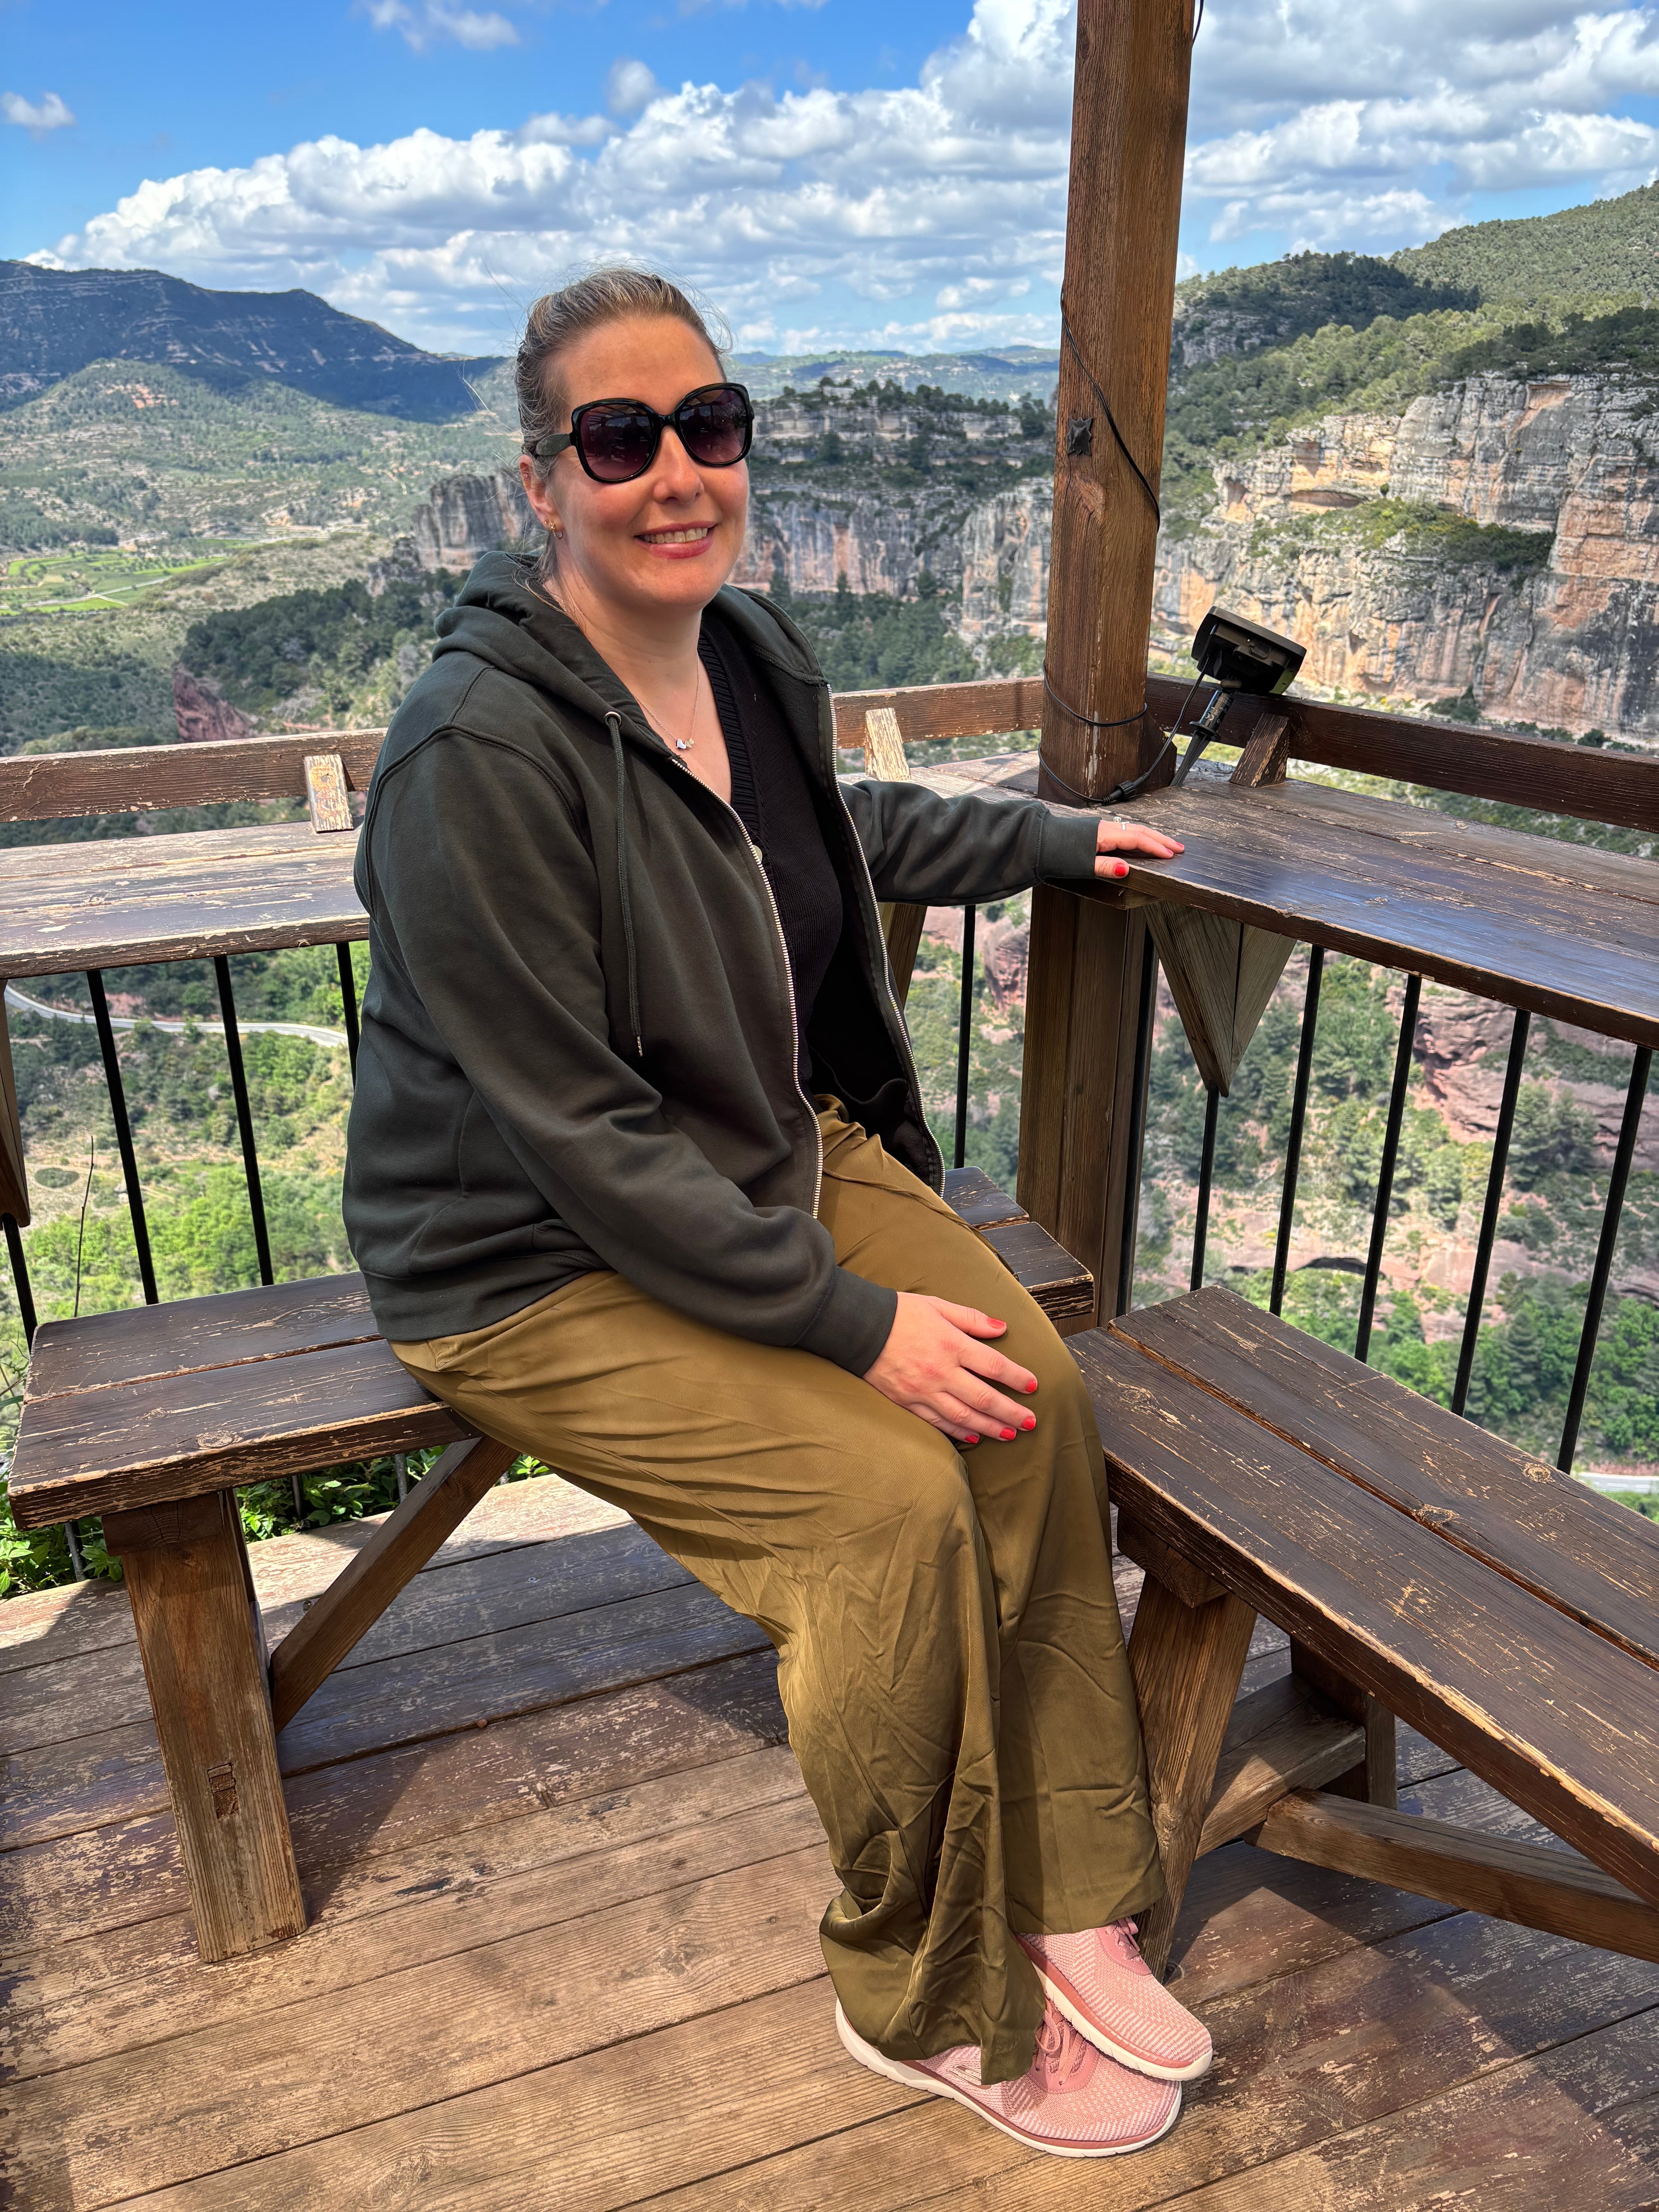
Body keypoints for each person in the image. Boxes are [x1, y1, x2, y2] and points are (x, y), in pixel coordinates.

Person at [343, 268, 1207, 2160]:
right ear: (539, 482)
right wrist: (845, 1321)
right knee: (886, 1505)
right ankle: (929, 1989)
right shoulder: (472, 754)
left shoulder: (748, 656)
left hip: (759, 1159)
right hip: (529, 1259)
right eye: (620, 438)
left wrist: (1057, 841)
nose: (676, 474)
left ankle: (1066, 1885)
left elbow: (836, 831)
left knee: (1034, 1392)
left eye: (708, 428)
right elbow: (572, 1131)